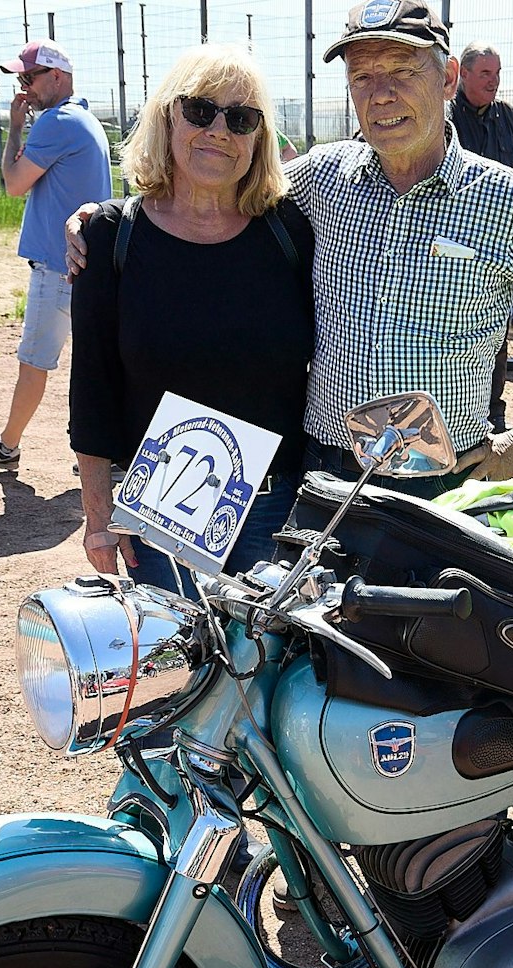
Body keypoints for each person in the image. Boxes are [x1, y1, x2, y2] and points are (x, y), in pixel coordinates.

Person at [68, 1, 513, 500]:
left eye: (402, 71)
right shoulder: (323, 179)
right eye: (363, 77)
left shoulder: (511, 201)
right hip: (321, 474)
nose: (381, 95)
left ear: (447, 79)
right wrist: (108, 215)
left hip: (442, 480)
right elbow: (215, 181)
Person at [70, 45, 314, 589]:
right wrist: (97, 519)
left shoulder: (291, 231)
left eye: (242, 117)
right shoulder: (111, 236)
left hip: (279, 508)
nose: (219, 130)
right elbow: (92, 390)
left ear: (259, 137)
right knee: (193, 669)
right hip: (164, 504)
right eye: (200, 110)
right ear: (166, 117)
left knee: (269, 667)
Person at [0, 39, 113, 468]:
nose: (23, 88)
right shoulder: (82, 118)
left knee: (34, 362)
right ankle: (103, 452)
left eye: (29, 77)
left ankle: (8, 446)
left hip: (58, 268)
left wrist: (15, 127)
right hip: (83, 264)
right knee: (95, 365)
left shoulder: (56, 123)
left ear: (57, 76)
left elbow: (14, 183)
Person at [449, 41, 513, 434]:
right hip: (452, 246)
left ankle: (493, 413)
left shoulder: (507, 118)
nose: (494, 82)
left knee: (498, 330)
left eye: (497, 74)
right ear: (461, 74)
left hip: (496, 244)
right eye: (485, 74)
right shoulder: (445, 117)